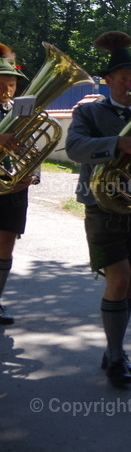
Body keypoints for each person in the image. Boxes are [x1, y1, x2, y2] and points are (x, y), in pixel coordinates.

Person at [65, 31, 131, 384]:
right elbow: (76, 148)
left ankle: (117, 347)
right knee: (119, 277)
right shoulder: (89, 112)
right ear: (107, 81)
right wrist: (117, 143)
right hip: (102, 205)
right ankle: (113, 354)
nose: (130, 84)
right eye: (123, 78)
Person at [0, 45, 33, 325]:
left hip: (12, 188)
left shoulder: (19, 112)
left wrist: (31, 175)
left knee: (5, 245)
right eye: (1, 83)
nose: (7, 89)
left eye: (11, 83)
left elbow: (34, 150)